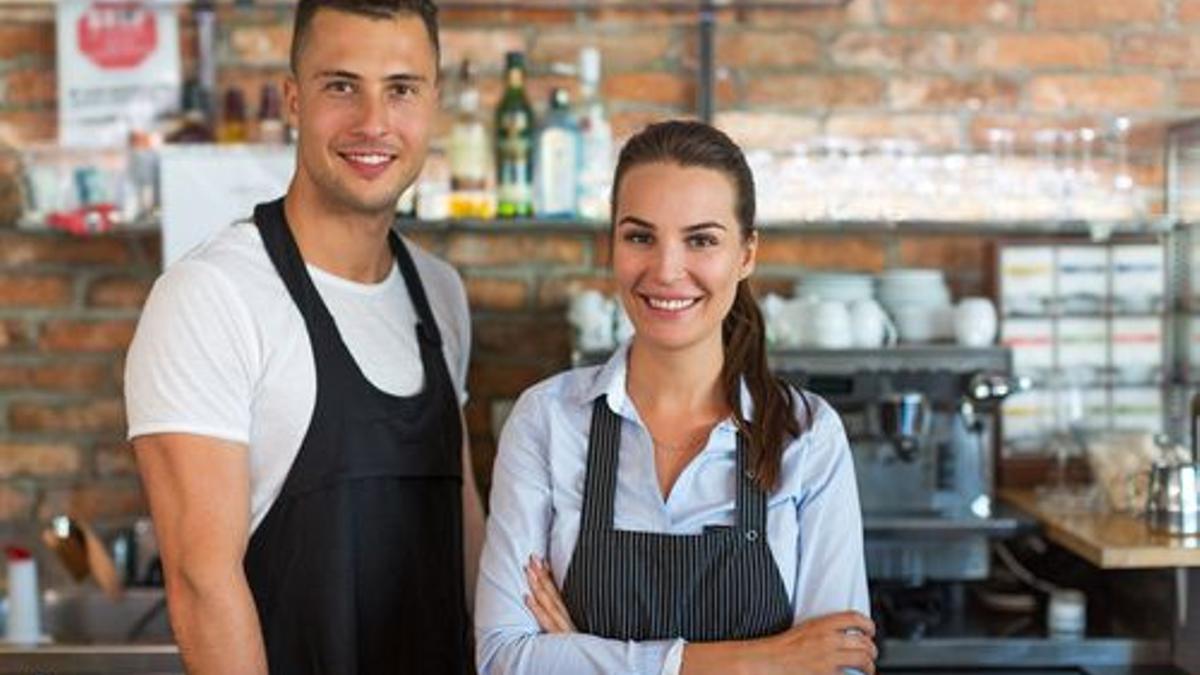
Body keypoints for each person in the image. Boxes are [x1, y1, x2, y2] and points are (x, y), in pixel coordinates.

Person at [124, 1, 484, 673]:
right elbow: (203, 585)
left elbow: (461, 525)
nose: (374, 122)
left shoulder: (440, 293)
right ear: (294, 98)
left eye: (401, 89)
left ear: (433, 103)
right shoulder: (213, 297)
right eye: (341, 85)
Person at [475, 120, 874, 675]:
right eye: (640, 236)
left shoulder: (805, 434)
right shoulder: (546, 420)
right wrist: (758, 661)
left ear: (747, 253)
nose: (665, 270)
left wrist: (578, 654)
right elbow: (505, 658)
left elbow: (837, 665)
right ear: (611, 245)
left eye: (702, 240)